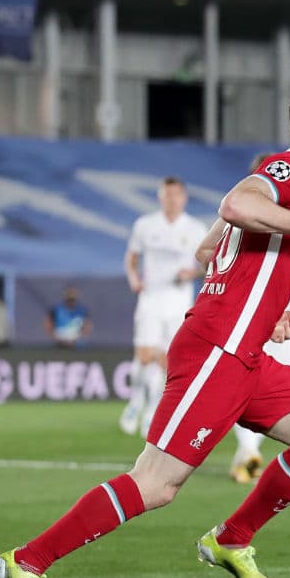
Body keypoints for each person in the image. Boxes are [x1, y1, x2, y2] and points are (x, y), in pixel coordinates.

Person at [0, 78, 290, 578]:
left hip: (245, 351)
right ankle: (26, 561)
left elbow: (207, 247)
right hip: (217, 352)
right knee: (156, 483)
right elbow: (235, 204)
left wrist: (262, 312)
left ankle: (231, 539)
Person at [194, 152, 290, 485]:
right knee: (245, 382)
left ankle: (248, 451)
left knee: (268, 382)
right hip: (246, 313)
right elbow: (205, 254)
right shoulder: (241, 217)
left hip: (279, 314)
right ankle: (247, 449)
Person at [119, 177, 207, 437]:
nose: (172, 200)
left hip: (178, 302)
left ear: (184, 198)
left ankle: (152, 411)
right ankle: (136, 401)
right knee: (144, 355)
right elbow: (132, 258)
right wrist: (133, 279)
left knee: (167, 361)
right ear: (160, 197)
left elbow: (208, 265)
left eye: (176, 195)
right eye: (167, 195)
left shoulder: (195, 229)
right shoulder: (145, 225)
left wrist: (192, 273)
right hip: (151, 299)